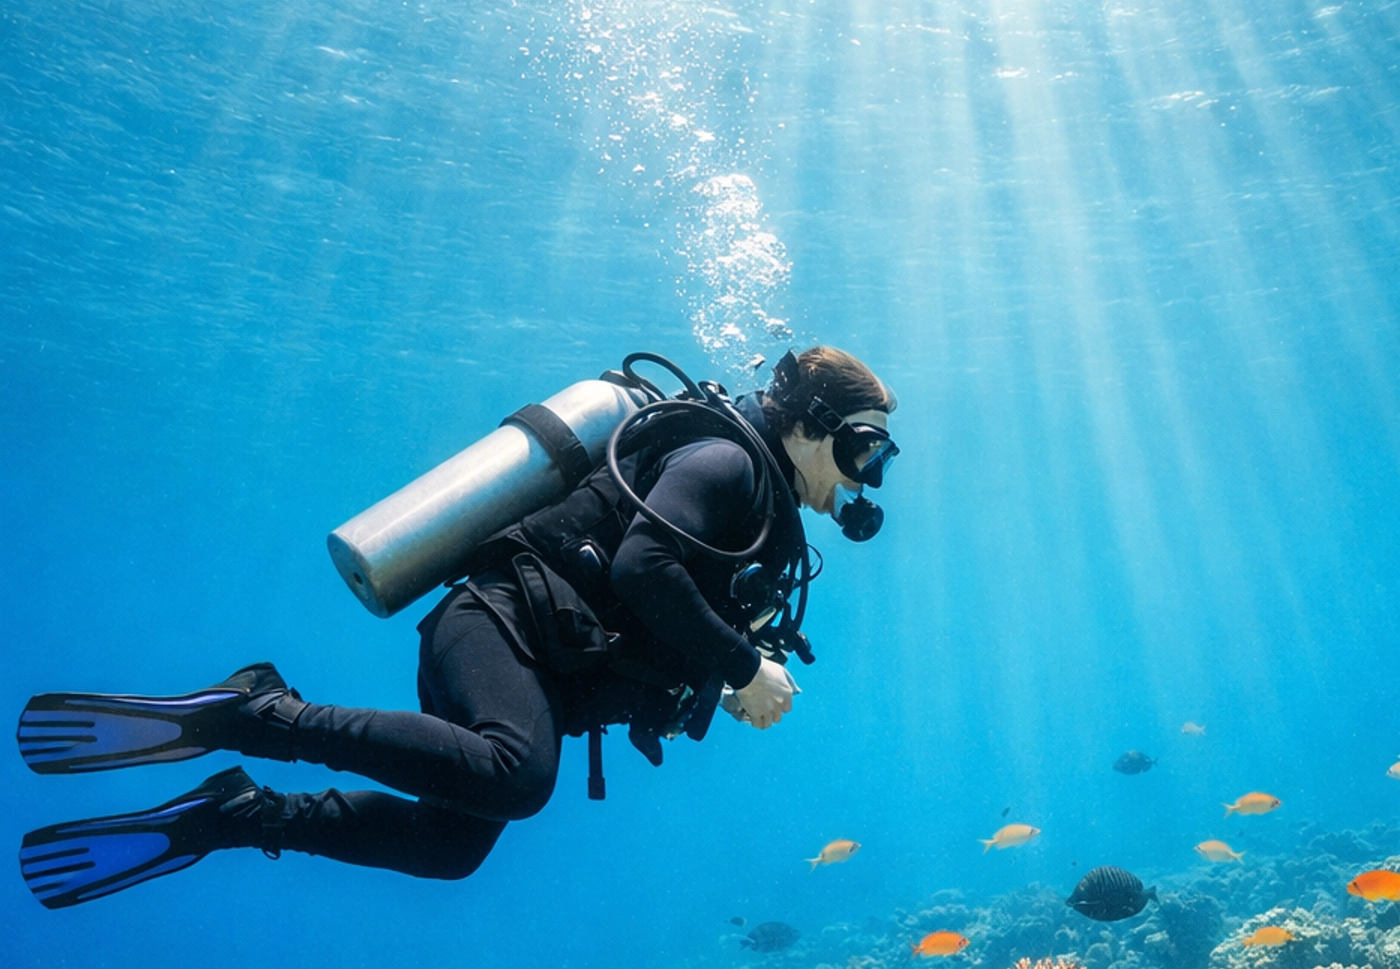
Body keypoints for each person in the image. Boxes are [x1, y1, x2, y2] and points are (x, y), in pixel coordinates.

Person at [17, 346, 897, 907]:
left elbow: (663, 607)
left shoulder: (760, 513)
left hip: (528, 662)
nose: (869, 479)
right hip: (494, 625)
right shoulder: (726, 460)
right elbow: (641, 568)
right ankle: (259, 713)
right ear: (816, 425)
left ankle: (245, 816)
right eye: (868, 449)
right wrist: (743, 666)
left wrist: (724, 672)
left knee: (448, 850)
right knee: (517, 778)